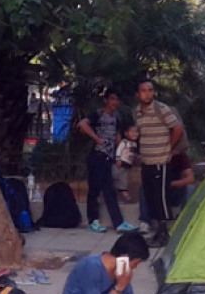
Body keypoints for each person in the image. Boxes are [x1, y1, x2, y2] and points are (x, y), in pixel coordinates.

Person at [135, 80, 187, 246]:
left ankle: (164, 232)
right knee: (150, 196)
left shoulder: (161, 109)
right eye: (143, 91)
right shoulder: (136, 112)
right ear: (138, 94)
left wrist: (169, 149)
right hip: (146, 160)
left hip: (160, 161)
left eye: (150, 90)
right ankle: (156, 229)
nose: (147, 94)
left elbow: (177, 129)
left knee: (161, 197)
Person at [77, 89, 137, 233]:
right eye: (112, 99)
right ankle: (100, 221)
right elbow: (83, 124)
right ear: (106, 100)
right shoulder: (98, 114)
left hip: (108, 157)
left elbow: (116, 135)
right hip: (98, 155)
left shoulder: (116, 117)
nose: (114, 103)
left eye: (117, 100)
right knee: (100, 189)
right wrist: (96, 138)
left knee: (105, 189)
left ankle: (112, 222)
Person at [114, 123, 139, 202]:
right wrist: (118, 158)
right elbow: (119, 150)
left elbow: (133, 154)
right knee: (116, 178)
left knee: (123, 180)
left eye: (136, 132)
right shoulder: (124, 142)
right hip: (121, 163)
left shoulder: (135, 144)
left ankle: (123, 194)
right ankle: (122, 194)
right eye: (132, 132)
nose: (134, 134)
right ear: (126, 133)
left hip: (127, 166)